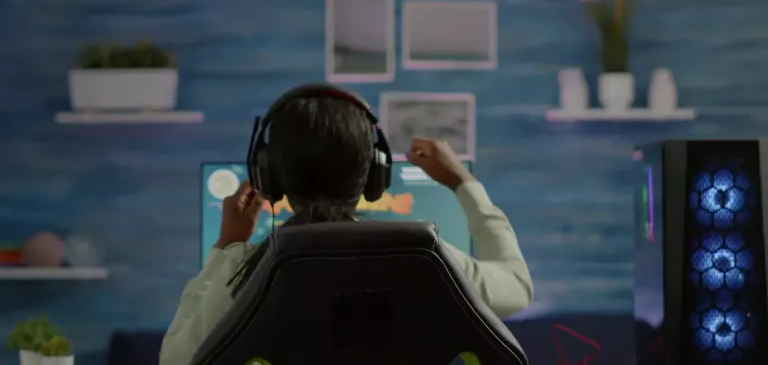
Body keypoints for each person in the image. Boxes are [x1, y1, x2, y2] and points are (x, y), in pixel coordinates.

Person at [159, 92, 533, 365]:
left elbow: (176, 360)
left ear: (268, 175)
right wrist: (464, 183)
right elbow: (516, 286)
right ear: (374, 175)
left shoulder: (248, 274)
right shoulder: (429, 259)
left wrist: (228, 245)